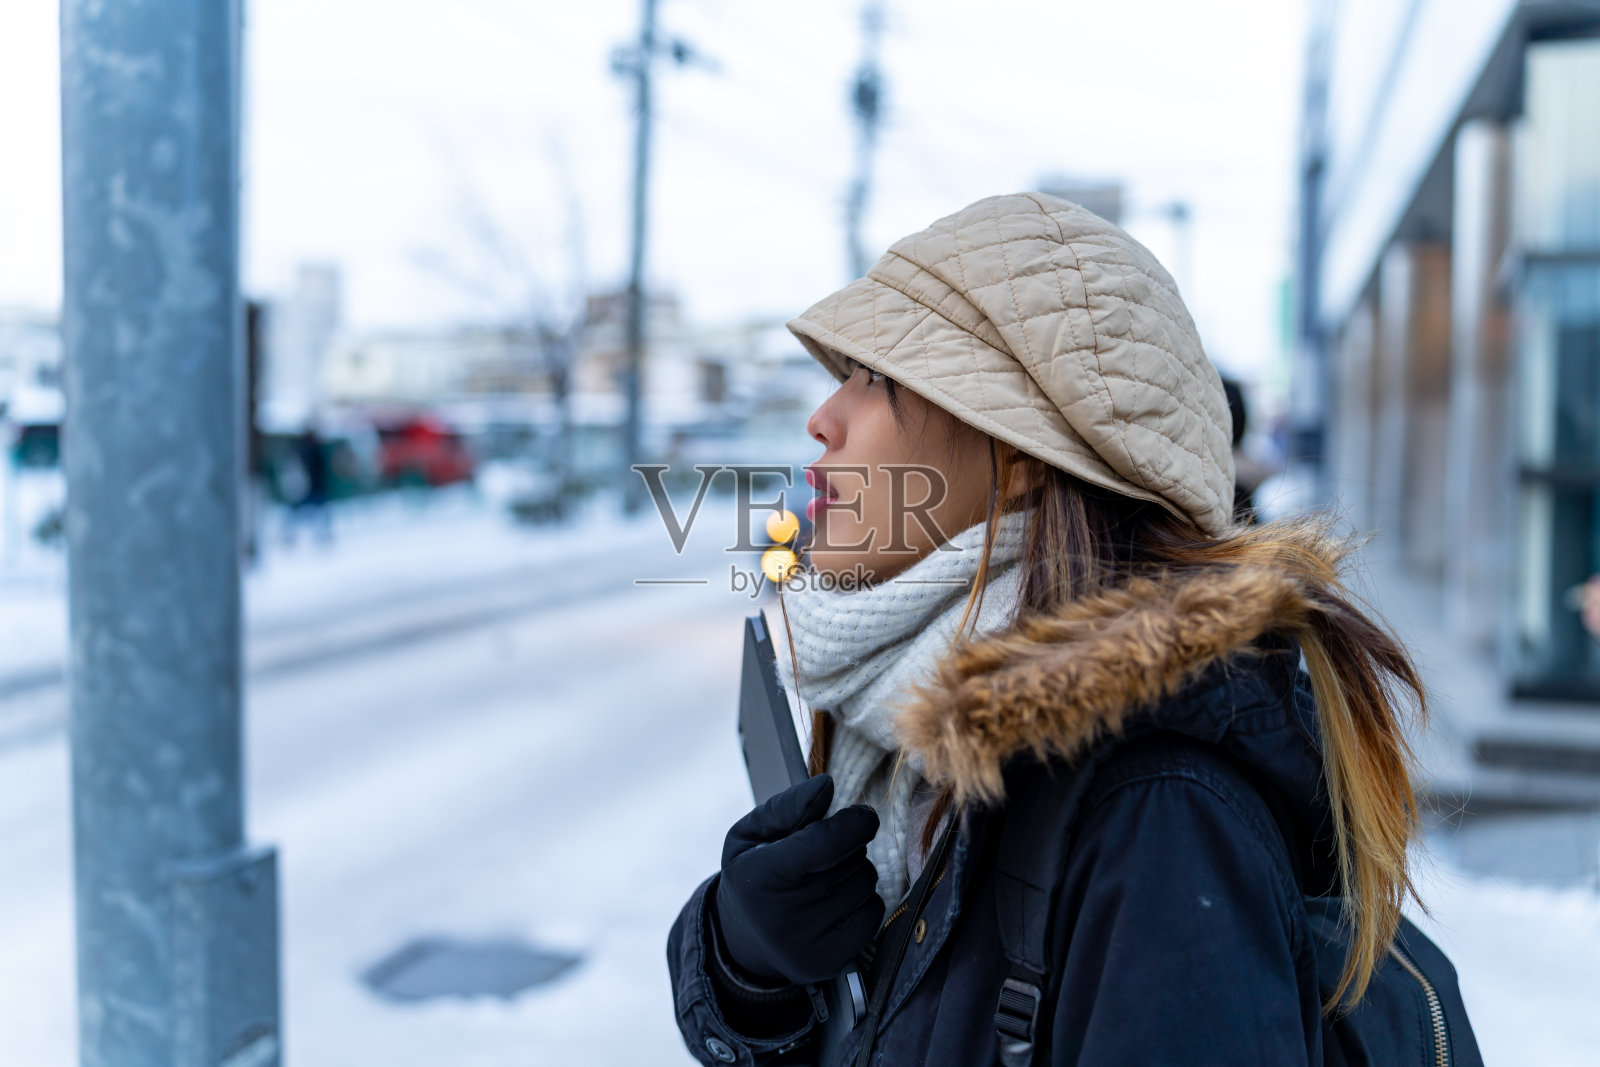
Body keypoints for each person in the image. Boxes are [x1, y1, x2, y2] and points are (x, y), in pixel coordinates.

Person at [667, 193, 1429, 1065]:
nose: (823, 417)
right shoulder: (908, 733)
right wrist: (745, 964)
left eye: (876, 378)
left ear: (1025, 456)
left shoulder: (1159, 816)